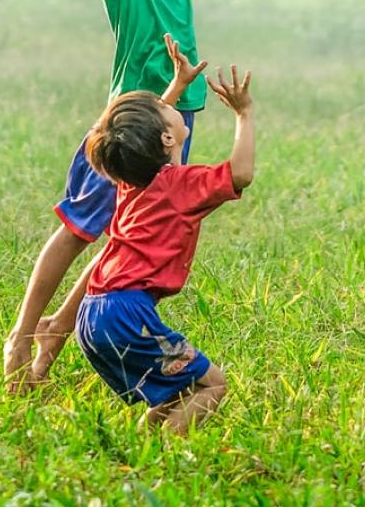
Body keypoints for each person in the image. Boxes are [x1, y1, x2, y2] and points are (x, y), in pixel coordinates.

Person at [3, 0, 274, 390]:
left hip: (176, 114)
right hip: (131, 118)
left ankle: (46, 355)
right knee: (78, 229)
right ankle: (22, 337)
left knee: (126, 241)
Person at [75, 35, 254, 435]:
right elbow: (240, 173)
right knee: (213, 384)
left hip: (92, 314)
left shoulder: (131, 178)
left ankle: (142, 445)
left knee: (175, 391)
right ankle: (162, 457)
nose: (167, 103)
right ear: (167, 139)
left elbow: (146, 133)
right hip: (126, 316)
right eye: (163, 107)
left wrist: (176, 86)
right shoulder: (180, 186)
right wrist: (244, 115)